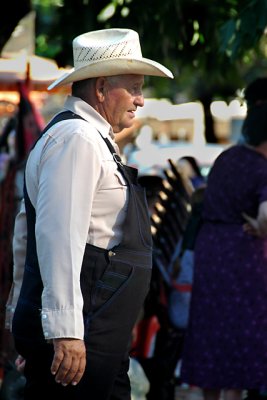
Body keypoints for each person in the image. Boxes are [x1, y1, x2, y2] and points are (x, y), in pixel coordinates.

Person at [5, 28, 173, 400]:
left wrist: (40, 323)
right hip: (85, 334)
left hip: (96, 334)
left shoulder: (90, 139)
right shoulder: (77, 139)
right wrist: (61, 331)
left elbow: (25, 233)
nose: (141, 100)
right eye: (134, 87)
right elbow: (55, 237)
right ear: (100, 89)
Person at [180, 78, 267, 400]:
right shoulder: (262, 167)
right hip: (245, 258)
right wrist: (260, 229)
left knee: (210, 332)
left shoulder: (226, 158)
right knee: (242, 335)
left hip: (211, 249)